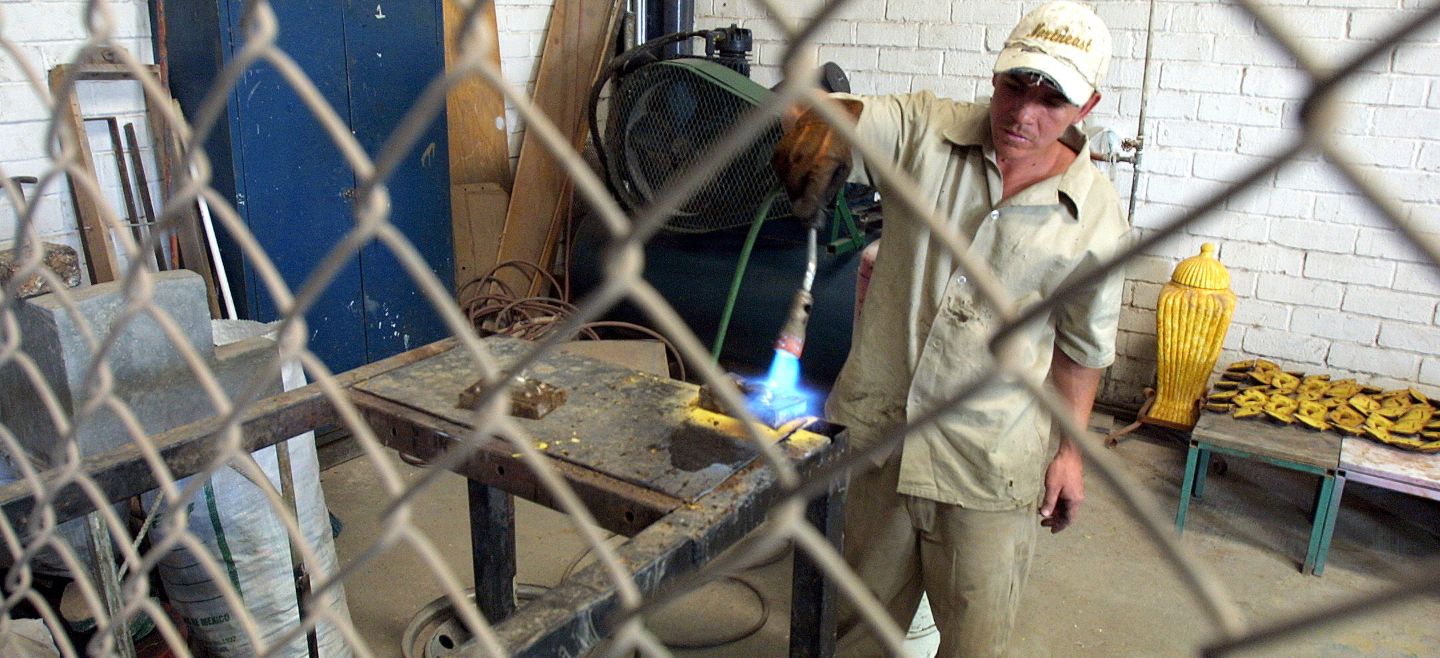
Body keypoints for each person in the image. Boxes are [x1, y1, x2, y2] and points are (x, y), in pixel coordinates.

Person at [772, 2, 1129, 656]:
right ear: (996, 73)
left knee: (976, 641)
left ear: (1088, 106)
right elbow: (831, 113)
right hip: (880, 441)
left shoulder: (1096, 219)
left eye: (1052, 99)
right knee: (853, 632)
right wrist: (812, 123)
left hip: (988, 462)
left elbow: (1082, 349)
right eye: (1016, 84)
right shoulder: (924, 130)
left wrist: (1071, 454)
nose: (1024, 112)